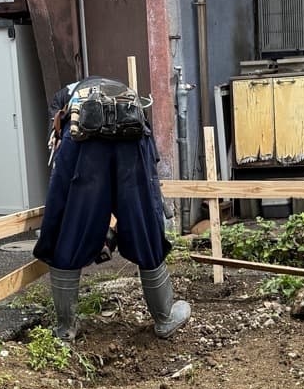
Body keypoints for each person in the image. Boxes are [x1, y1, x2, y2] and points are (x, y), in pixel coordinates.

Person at [34, 77, 190, 341]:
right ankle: (164, 319)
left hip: (83, 143)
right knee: (143, 222)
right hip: (132, 135)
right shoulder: (119, 92)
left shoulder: (62, 104)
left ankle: (65, 328)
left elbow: (59, 141)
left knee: (69, 223)